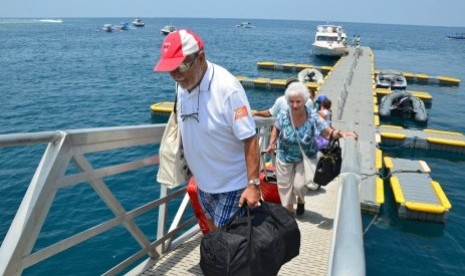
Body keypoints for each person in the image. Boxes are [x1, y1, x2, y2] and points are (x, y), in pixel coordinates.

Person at [154, 29, 260, 231]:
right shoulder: (182, 85)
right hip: (203, 185)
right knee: (215, 240)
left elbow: (250, 137)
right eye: (170, 69)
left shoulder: (228, 89)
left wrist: (253, 184)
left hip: (233, 186)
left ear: (200, 57)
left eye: (181, 66)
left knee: (231, 248)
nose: (176, 75)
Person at [265, 82, 357, 216]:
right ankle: (288, 212)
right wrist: (271, 143)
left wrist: (341, 133)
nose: (295, 105)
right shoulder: (283, 114)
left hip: (305, 157)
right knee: (284, 187)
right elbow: (276, 128)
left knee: (299, 186)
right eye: (291, 102)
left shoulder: (312, 116)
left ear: (305, 101)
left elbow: (327, 132)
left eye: (298, 101)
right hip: (284, 155)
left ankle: (301, 200)